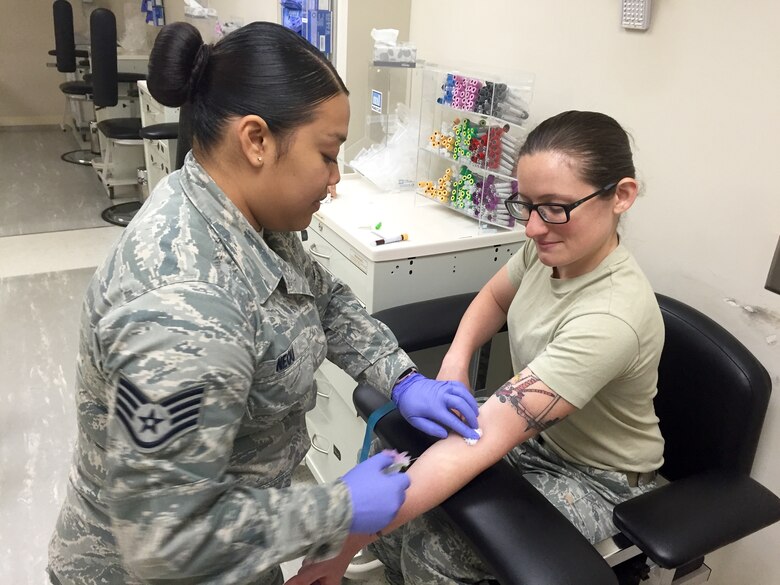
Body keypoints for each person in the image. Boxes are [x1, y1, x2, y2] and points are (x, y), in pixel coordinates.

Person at [47, 21, 480, 585]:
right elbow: (163, 540)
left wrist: (401, 378)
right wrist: (339, 507)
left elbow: (320, 297)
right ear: (256, 140)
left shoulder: (239, 214)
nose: (334, 177)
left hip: (239, 543)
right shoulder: (185, 312)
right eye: (327, 154)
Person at [287, 110, 665, 585]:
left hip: (594, 476)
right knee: (396, 452)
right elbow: (493, 298)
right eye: (525, 205)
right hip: (533, 435)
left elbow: (482, 439)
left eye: (553, 207)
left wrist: (343, 545)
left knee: (439, 546)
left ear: (621, 196)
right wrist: (454, 363)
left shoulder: (610, 317)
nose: (531, 227)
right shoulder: (548, 248)